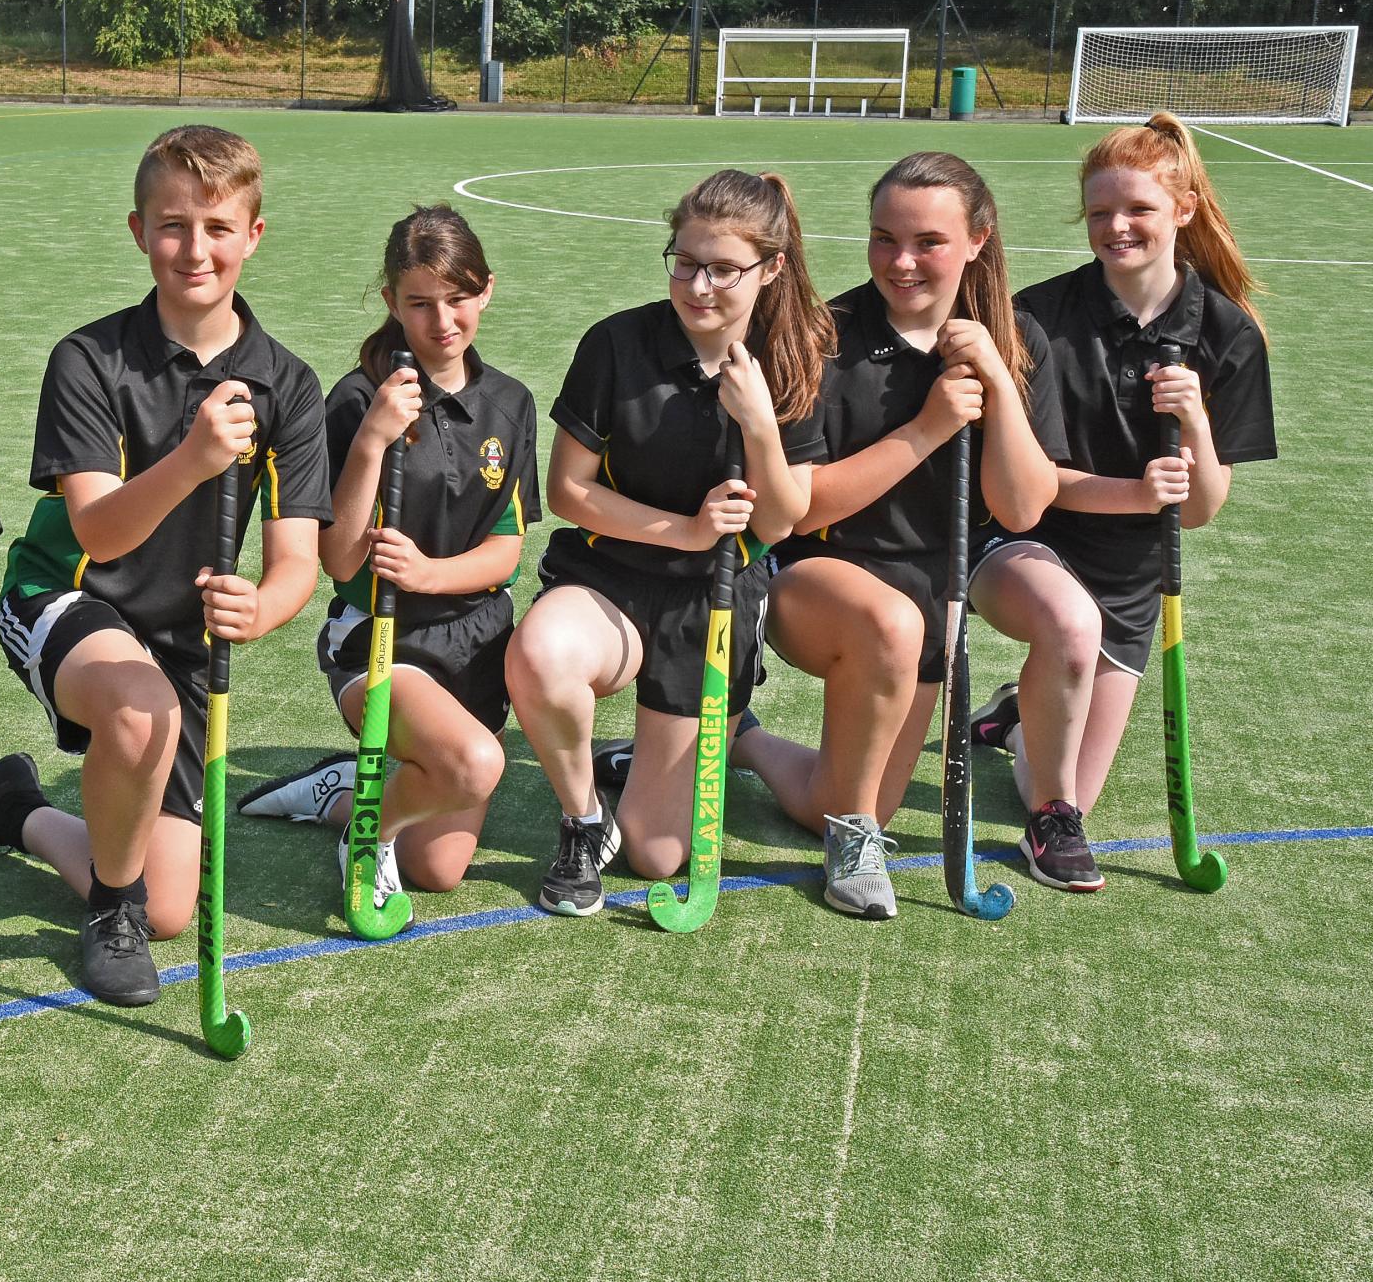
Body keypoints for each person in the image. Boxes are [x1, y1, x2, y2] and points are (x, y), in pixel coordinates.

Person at [0, 125, 331, 1006]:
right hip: (66, 594)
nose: (195, 249)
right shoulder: (90, 360)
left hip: (178, 634)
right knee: (137, 711)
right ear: (137, 230)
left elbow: (297, 560)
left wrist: (264, 609)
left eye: (218, 227)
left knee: (170, 906)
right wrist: (195, 458)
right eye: (172, 226)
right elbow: (100, 532)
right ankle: (105, 912)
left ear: (254, 236)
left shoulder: (288, 386)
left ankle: (19, 809)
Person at [732, 153, 1061, 919]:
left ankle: (743, 739)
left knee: (841, 802)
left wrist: (1000, 387)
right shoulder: (824, 337)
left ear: (977, 240)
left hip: (931, 599)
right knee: (890, 623)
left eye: (929, 242)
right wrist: (929, 426)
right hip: (814, 578)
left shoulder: (1016, 339)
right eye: (884, 238)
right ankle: (853, 845)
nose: (902, 262)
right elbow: (803, 510)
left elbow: (1022, 509)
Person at [504, 170, 831, 917]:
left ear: (771, 268)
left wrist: (757, 422)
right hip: (610, 579)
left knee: (655, 852)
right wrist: (684, 530)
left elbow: (782, 522)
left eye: (723, 269)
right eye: (684, 261)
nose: (699, 285)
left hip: (710, 603)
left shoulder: (791, 360)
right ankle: (583, 819)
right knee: (541, 654)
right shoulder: (617, 342)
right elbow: (568, 492)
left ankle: (707, 741)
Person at [968, 113, 1277, 891]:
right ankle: (1050, 820)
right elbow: (1028, 488)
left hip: (1133, 577)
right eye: (1100, 211)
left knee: (1077, 780)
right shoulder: (1038, 317)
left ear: (1183, 209)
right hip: (1023, 543)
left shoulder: (1228, 335)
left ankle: (1019, 714)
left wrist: (1196, 422)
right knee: (1061, 743)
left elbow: (1201, 508)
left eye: (1137, 209)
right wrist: (1137, 492)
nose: (1116, 227)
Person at [238, 205, 538, 901]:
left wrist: (431, 573)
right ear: (390, 303)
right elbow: (340, 563)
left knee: (438, 871)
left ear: (486, 289)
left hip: (477, 642)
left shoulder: (510, 404)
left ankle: (345, 788)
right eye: (420, 304)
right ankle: (366, 830)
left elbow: (506, 553)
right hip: (382, 640)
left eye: (459, 299)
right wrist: (373, 440)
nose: (443, 322)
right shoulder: (352, 402)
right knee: (471, 764)